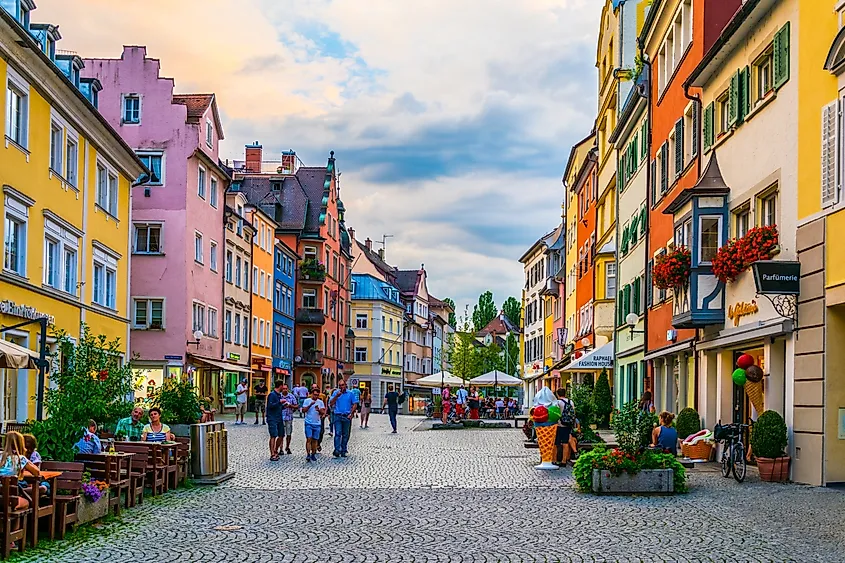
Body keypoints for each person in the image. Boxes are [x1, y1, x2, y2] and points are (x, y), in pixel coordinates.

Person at [0, 432, 38, 510]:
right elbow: (37, 472)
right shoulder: (21, 459)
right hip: (8, 500)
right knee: (27, 502)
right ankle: (16, 521)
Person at [329, 380, 358, 457]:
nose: (341, 387)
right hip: (337, 415)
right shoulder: (336, 393)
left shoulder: (350, 393)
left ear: (346, 385)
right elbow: (331, 403)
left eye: (342, 385)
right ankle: (337, 450)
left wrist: (351, 413)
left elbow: (355, 404)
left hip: (347, 416)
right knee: (338, 433)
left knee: (346, 434)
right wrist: (336, 396)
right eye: (340, 385)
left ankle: (343, 449)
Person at [302, 387, 326, 462]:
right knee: (309, 439)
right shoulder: (307, 401)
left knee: (315, 439)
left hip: (317, 423)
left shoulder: (320, 402)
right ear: (312, 394)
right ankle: (308, 454)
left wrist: (319, 410)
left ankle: (313, 453)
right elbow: (303, 410)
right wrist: (310, 405)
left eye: (317, 395)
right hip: (308, 422)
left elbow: (323, 412)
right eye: (315, 395)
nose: (316, 396)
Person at [554, 388, 576, 467]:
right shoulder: (571, 402)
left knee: (556, 443)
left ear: (557, 394)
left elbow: (555, 413)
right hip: (568, 425)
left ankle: (555, 460)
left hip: (559, 424)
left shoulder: (557, 402)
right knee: (565, 443)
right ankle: (564, 461)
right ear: (565, 393)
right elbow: (573, 413)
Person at [266, 380, 285, 461]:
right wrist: (279, 402)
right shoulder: (272, 395)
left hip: (279, 418)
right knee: (273, 435)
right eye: (283, 386)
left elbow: (278, 406)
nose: (283, 388)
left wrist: (284, 406)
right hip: (272, 418)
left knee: (281, 435)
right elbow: (270, 406)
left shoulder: (279, 395)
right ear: (280, 386)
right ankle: (272, 454)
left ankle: (275, 450)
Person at [279, 384, 298, 455]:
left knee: (288, 433)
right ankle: (281, 448)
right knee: (281, 434)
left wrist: (291, 406)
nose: (285, 390)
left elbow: (296, 406)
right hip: (281, 417)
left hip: (289, 417)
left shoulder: (291, 396)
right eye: (283, 389)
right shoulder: (279, 396)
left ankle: (287, 446)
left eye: (286, 388)